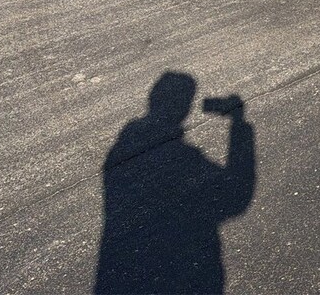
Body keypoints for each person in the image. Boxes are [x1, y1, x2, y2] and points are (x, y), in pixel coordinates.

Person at [95, 72, 255, 294]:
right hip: (184, 275)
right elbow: (236, 197)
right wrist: (239, 124)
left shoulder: (122, 148)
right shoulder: (181, 156)